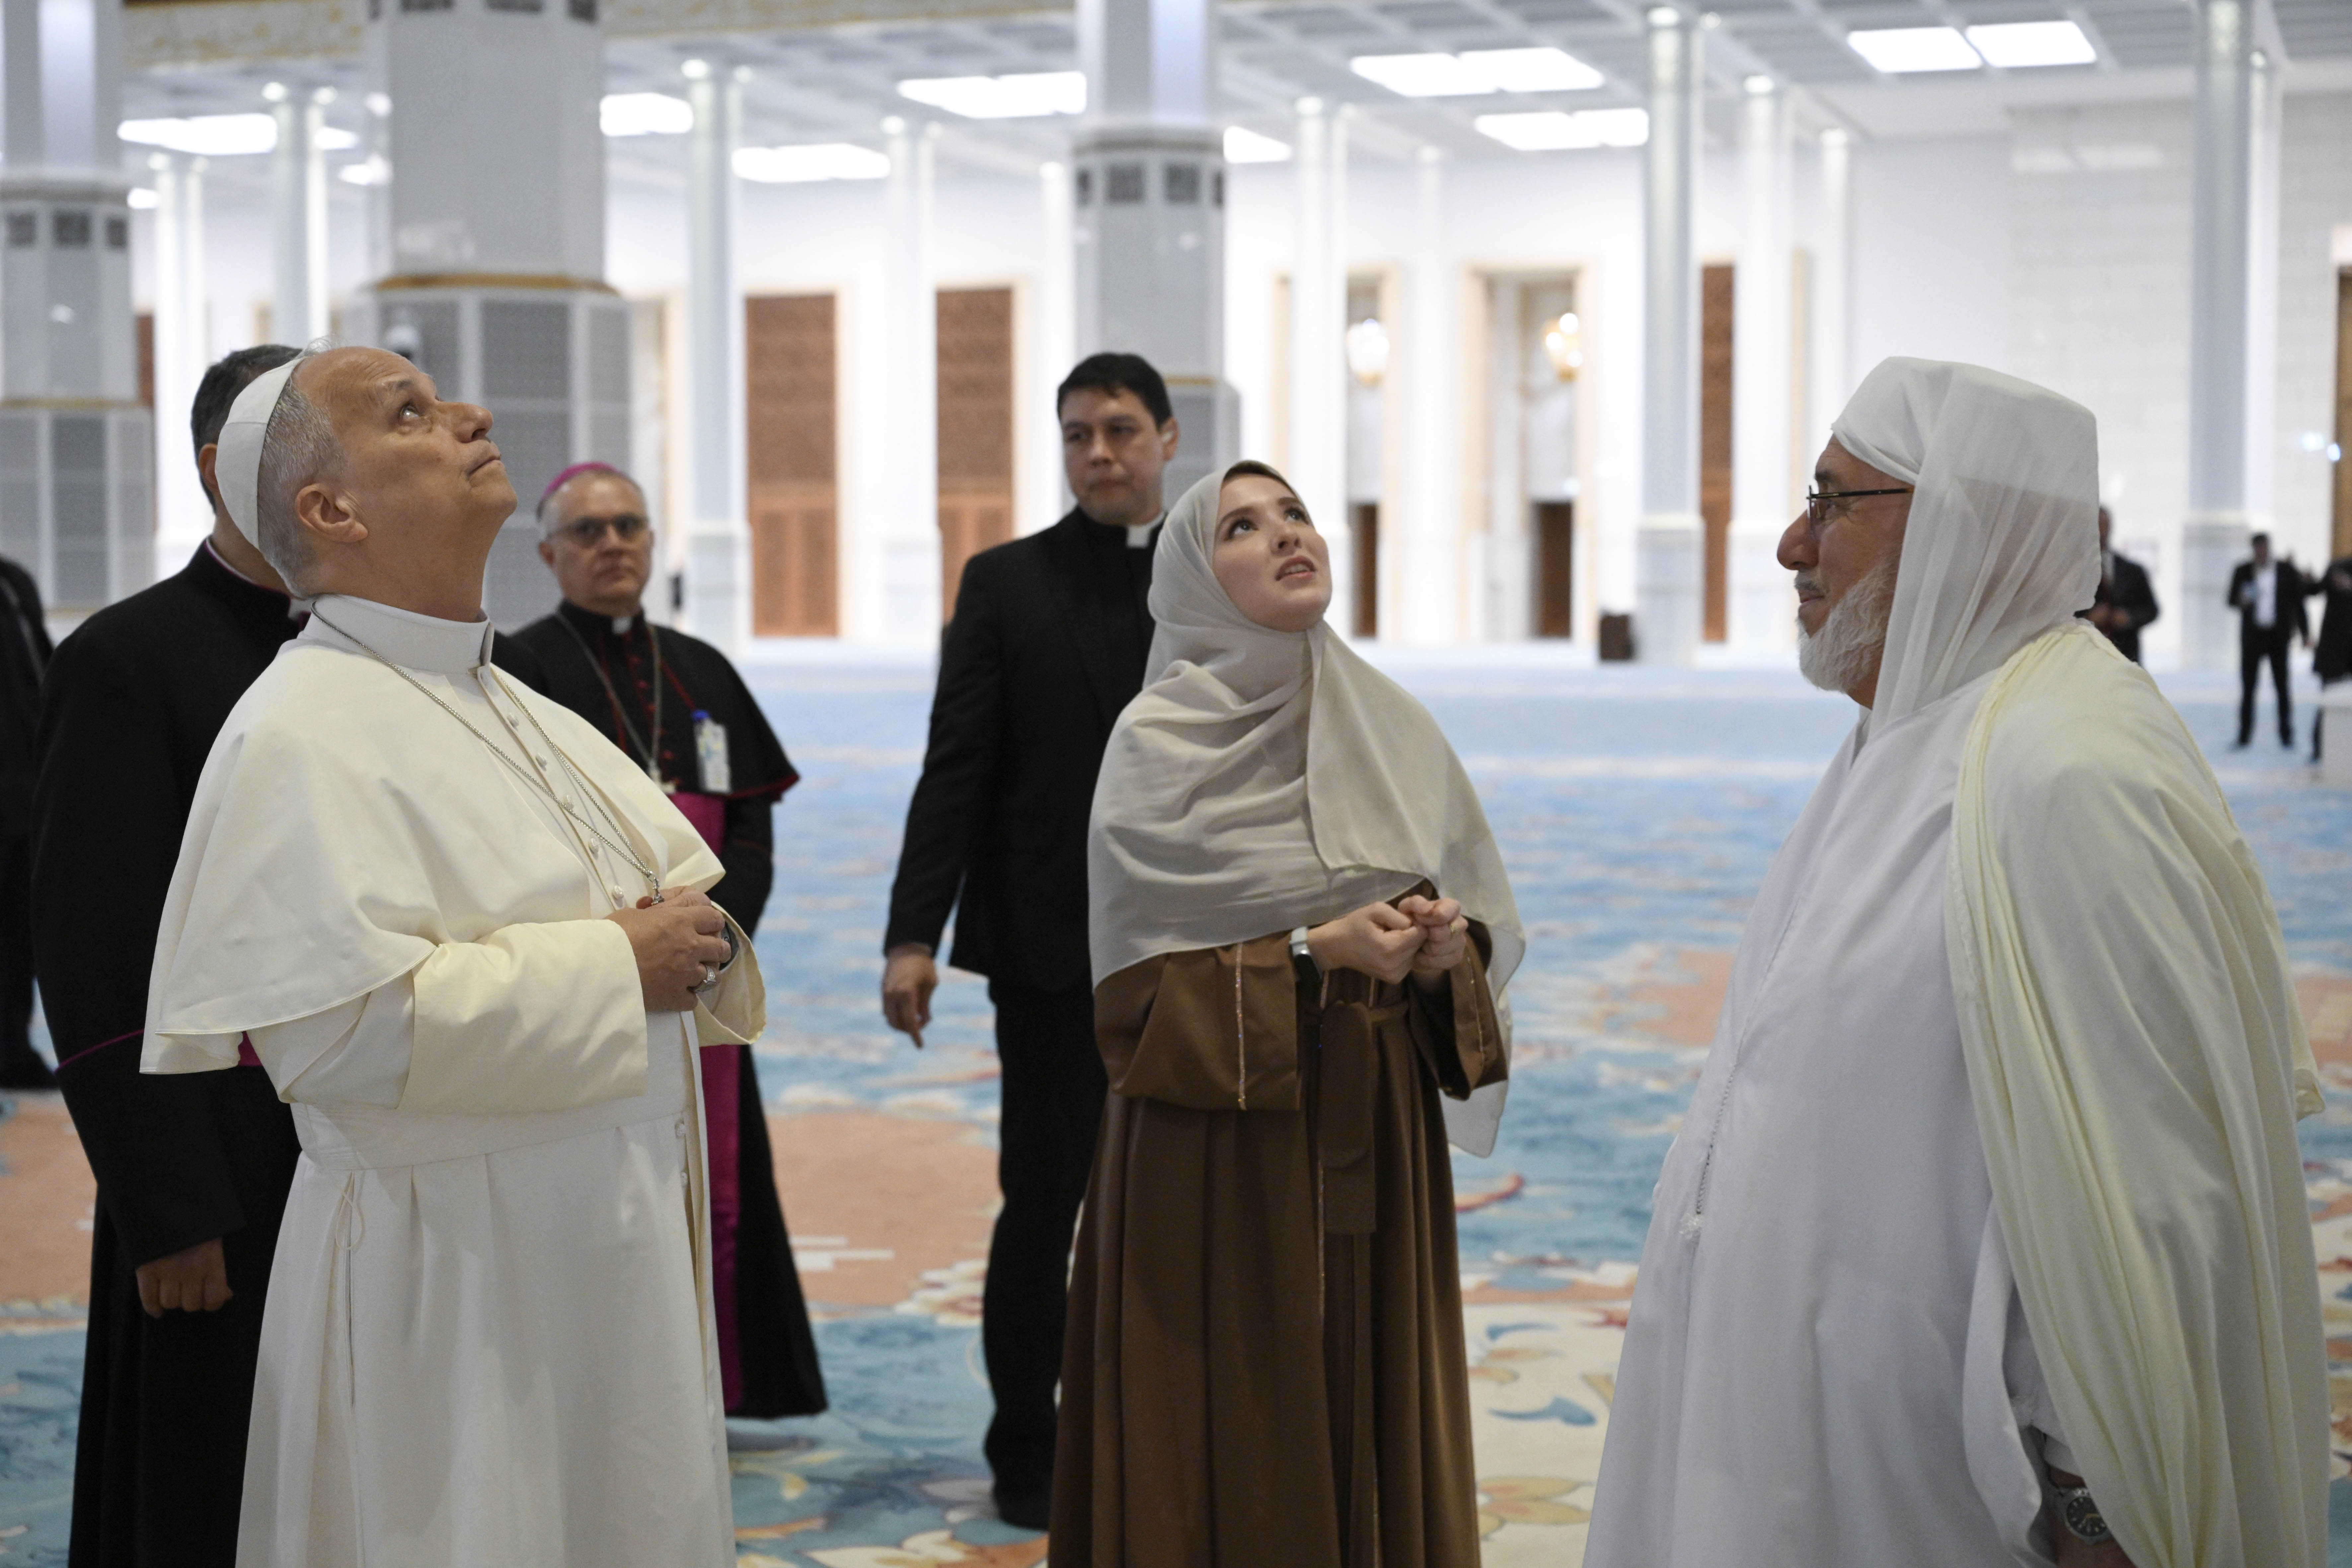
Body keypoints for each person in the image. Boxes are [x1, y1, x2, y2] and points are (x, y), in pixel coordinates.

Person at [1587, 358, 2326, 1568]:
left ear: (1954, 528)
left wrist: (2099, 1508)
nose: (1787, 543)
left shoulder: (2066, 772)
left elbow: (2135, 1210)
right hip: (1814, 1451)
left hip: (1950, 1506)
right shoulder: (1909, 739)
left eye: (1831, 500)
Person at [141, 345, 762, 1568]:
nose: (471, 414)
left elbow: (664, 910)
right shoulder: (299, 730)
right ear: (331, 509)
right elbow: (332, 1033)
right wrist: (613, 966)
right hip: (456, 1278)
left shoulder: (509, 698)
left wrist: (684, 945)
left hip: (603, 1234)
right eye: (411, 413)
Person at [1051, 462, 1520, 1568]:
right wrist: (1312, 952)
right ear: (1191, 580)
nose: (1284, 537)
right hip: (1215, 1144)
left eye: (1295, 514)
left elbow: (1475, 915)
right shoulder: (1155, 746)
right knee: (1237, 1402)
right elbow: (1132, 1007)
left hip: (1374, 1127)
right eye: (1241, 527)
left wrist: (1443, 951)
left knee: (1367, 1382)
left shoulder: (1388, 723)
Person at [880, 351, 1179, 1528]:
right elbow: (956, 765)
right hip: (1052, 950)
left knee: (1188, 1204)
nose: (1096, 452)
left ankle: (1170, 1425)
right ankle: (1026, 1449)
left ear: (1165, 435)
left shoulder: (1218, 575)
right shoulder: (1004, 583)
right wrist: (913, 931)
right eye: (1074, 435)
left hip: (1196, 952)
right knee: (1043, 1202)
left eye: (1117, 429)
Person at [507, 460, 822, 1422]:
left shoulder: (702, 669)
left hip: (706, 980)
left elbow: (753, 826)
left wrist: (716, 946)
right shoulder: (518, 674)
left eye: (630, 527)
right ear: (548, 553)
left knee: (717, 1186)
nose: (613, 546)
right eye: (590, 531)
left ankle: (717, 1386)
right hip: (594, 978)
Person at [0, 549, 50, 1088]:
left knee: (19, 941)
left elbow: (43, 682)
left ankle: (13, 1052)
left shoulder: (13, 584)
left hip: (22, 801)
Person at [2228, 531, 2312, 748]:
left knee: (2282, 687)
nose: (2260, 553)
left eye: (2263, 548)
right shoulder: (2243, 571)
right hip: (2253, 638)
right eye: (2257, 549)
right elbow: (2230, 599)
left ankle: (2286, 734)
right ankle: (2244, 735)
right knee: (2248, 688)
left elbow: (2299, 603)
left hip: (2277, 637)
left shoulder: (2285, 571)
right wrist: (2241, 601)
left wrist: (2305, 633)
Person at [2084, 506, 2156, 664]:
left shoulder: (2133, 571)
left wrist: (2129, 618)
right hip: (2088, 656)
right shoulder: (2076, 571)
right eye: (2097, 525)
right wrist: (2089, 618)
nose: (2101, 532)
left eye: (2104, 525)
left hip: (2126, 654)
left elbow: (2151, 609)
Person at [2308, 550, 2351, 762]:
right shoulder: (2338, 567)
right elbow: (2314, 590)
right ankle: (2320, 749)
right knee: (2327, 701)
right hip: (2335, 652)